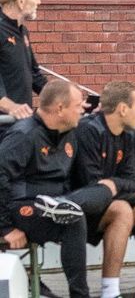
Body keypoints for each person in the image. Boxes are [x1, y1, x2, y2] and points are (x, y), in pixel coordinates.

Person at [0, 80, 105, 298]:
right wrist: (6, 228)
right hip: (20, 206)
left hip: (58, 201)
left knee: (103, 197)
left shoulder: (69, 133)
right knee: (73, 218)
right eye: (78, 105)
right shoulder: (24, 135)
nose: (82, 109)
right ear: (60, 109)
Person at [71, 81, 135, 298]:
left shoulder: (127, 135)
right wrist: (121, 187)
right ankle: (110, 292)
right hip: (78, 208)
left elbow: (131, 181)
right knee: (123, 209)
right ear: (123, 109)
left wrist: (114, 184)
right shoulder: (89, 131)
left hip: (108, 202)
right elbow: (91, 184)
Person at [0, 0, 47, 126]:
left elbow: (35, 75)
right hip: (4, 123)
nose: (39, 2)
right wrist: (11, 107)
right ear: (21, 0)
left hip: (19, 125)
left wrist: (67, 100)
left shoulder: (22, 31)